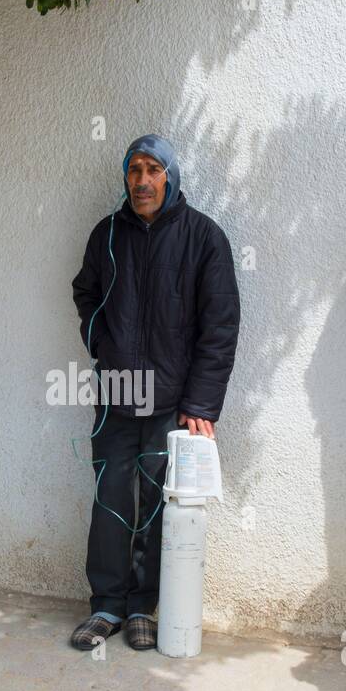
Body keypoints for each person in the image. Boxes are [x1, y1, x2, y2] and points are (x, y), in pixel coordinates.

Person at [68, 134, 240, 651]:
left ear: (171, 176)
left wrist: (201, 404)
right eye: (134, 170)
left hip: (173, 402)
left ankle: (144, 607)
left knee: (159, 506)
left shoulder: (204, 238)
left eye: (153, 170)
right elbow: (86, 293)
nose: (142, 181)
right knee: (111, 499)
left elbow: (221, 326)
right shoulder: (108, 235)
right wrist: (102, 341)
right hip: (117, 393)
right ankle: (106, 606)